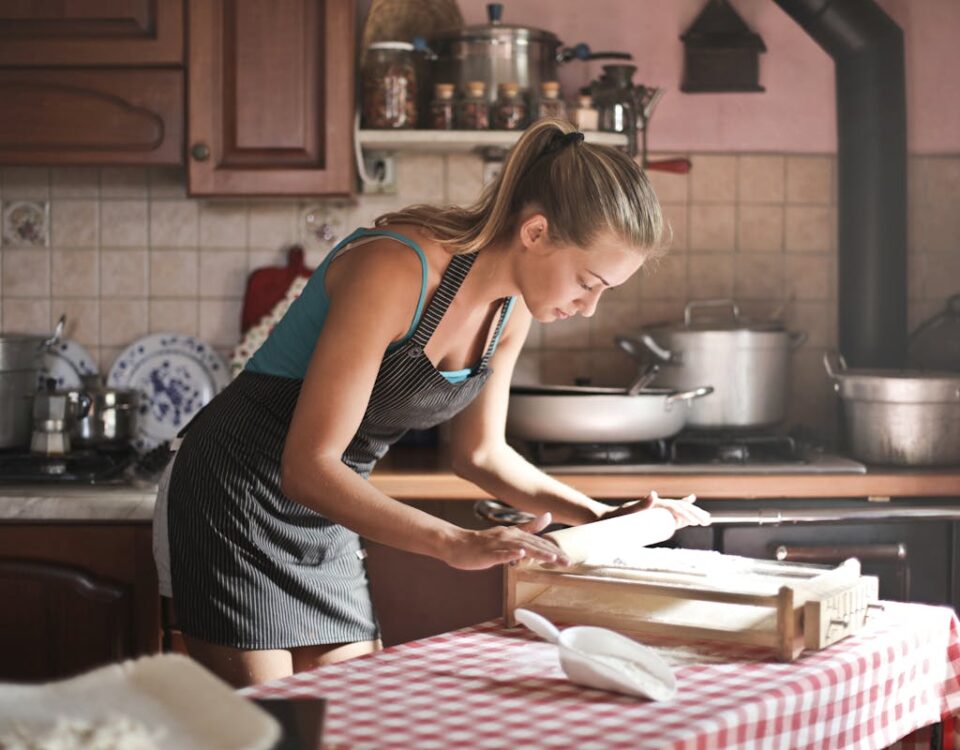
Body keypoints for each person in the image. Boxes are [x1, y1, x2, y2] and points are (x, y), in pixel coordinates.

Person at [152, 118, 710, 688]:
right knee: (270, 721)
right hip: (237, 492)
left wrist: (603, 517)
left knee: (346, 713)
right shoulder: (396, 268)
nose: (588, 307)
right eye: (587, 282)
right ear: (536, 232)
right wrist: (454, 542)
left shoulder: (511, 310)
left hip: (331, 505)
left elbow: (481, 455)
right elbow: (307, 466)